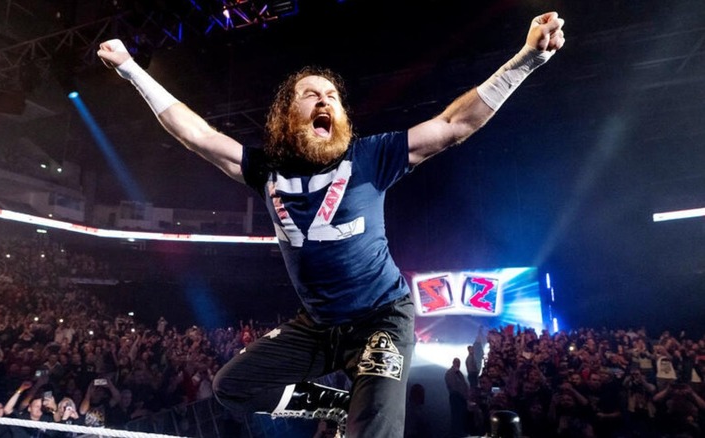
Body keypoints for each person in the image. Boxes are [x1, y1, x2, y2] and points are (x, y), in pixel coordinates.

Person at [96, 11, 565, 438]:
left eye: (333, 96)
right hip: (319, 326)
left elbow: (454, 124)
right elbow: (196, 134)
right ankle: (337, 406)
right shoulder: (265, 170)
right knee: (231, 386)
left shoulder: (370, 157)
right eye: (311, 94)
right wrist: (130, 68)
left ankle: (361, 417)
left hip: (381, 317)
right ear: (289, 114)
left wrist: (527, 59)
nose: (325, 100)